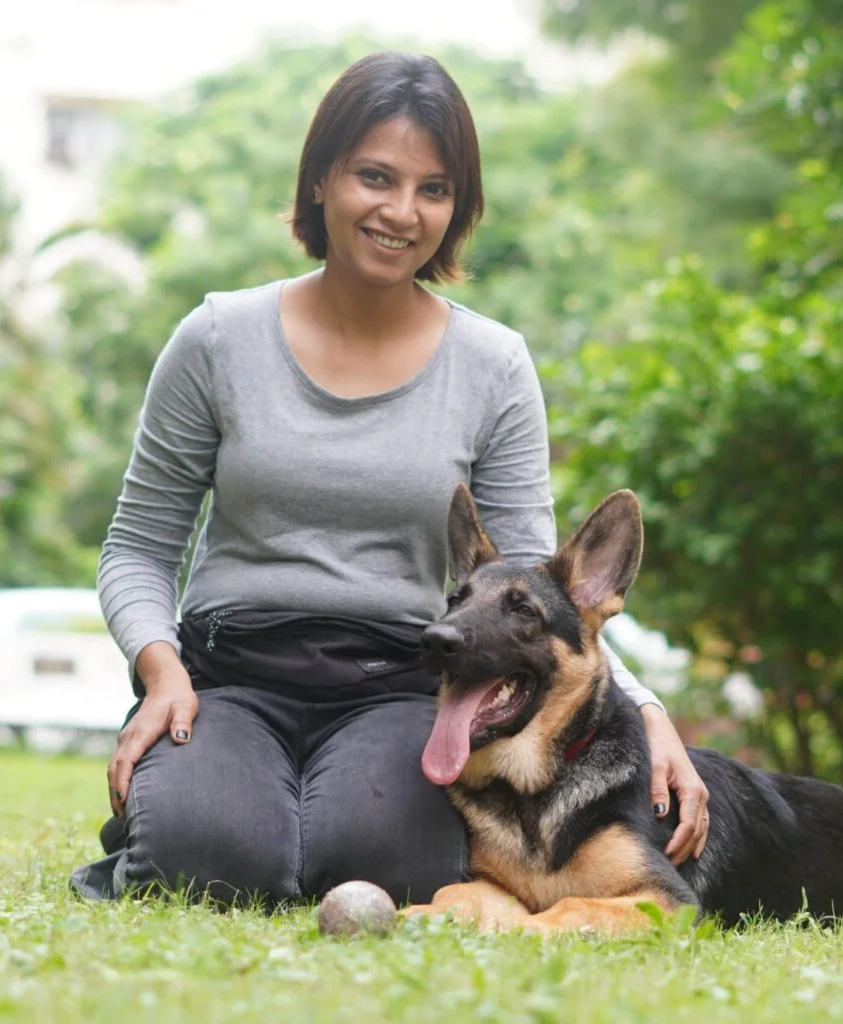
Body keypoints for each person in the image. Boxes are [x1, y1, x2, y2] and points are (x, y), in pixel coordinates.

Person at [70, 51, 709, 908]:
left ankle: (268, 820)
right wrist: (162, 671)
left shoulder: (493, 364)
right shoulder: (218, 338)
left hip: (408, 684)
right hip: (231, 671)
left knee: (389, 861)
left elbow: (537, 589)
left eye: (434, 190)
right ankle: (190, 805)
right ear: (322, 179)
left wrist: (649, 711)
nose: (401, 212)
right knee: (205, 860)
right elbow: (138, 548)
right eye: (375, 176)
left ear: (458, 209)